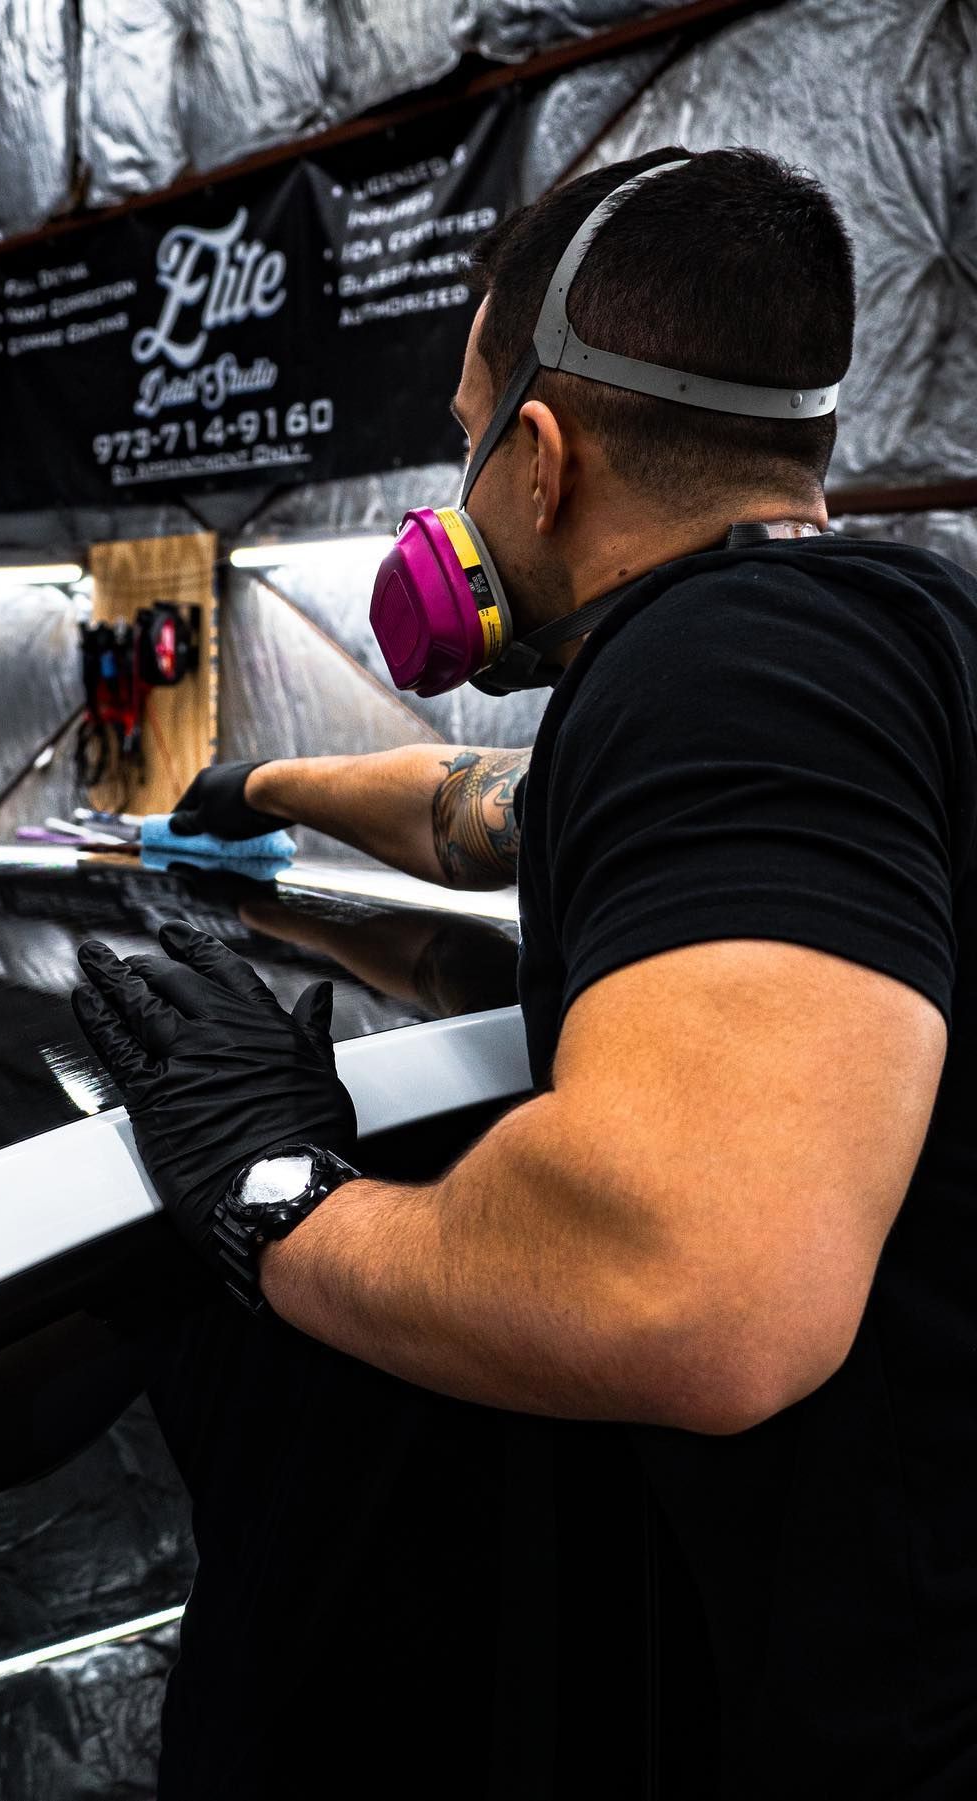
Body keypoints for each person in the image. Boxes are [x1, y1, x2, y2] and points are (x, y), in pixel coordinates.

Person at [72, 145, 977, 1795]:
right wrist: (258, 789)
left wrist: (271, 1191)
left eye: (463, 434)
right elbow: (487, 812)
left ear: (540, 456)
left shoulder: (726, 671)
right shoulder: (851, 643)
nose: (457, 490)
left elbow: (703, 1292)